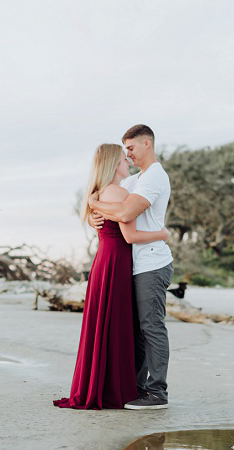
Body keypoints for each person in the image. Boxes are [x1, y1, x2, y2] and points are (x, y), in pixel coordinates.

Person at [54, 145, 169, 410]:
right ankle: (120, 388)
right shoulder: (118, 191)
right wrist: (163, 234)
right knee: (119, 324)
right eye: (122, 158)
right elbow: (130, 235)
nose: (127, 160)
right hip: (118, 260)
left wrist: (92, 200)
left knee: (108, 324)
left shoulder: (104, 192)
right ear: (111, 164)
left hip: (105, 260)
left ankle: (105, 385)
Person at [88, 124, 173, 411]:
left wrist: (95, 204)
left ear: (147, 144)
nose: (129, 155)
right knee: (137, 330)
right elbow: (107, 196)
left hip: (152, 261)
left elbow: (124, 213)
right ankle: (135, 388)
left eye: (132, 149)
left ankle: (156, 392)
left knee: (151, 327)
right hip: (134, 264)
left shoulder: (154, 179)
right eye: (125, 152)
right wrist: (91, 207)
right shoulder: (134, 180)